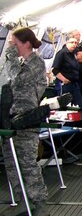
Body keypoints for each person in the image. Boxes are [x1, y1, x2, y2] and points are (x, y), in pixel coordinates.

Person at [0, 28, 50, 216]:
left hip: (27, 120)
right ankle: (22, 199)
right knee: (12, 162)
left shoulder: (36, 62)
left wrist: (10, 55)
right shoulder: (20, 63)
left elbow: (17, 78)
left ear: (27, 43)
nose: (12, 47)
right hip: (11, 118)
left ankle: (40, 203)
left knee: (28, 162)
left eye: (15, 43)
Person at [51, 36, 82, 109]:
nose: (74, 44)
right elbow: (54, 69)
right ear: (66, 43)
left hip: (74, 84)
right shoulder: (61, 53)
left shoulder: (74, 54)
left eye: (76, 43)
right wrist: (64, 79)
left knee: (79, 106)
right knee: (64, 106)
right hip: (64, 85)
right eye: (72, 42)